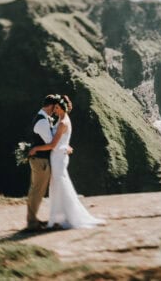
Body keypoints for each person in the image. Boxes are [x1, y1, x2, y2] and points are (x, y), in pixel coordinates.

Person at [29, 94, 104, 229]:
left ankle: (67, 217)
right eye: (55, 107)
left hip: (58, 158)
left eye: (57, 108)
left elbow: (52, 144)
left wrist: (35, 148)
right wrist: (65, 147)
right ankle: (60, 216)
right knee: (57, 187)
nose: (55, 110)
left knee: (60, 186)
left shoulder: (62, 122)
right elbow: (57, 141)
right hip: (57, 156)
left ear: (62, 108)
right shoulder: (61, 119)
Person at [25, 94, 62, 231]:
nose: (55, 110)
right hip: (40, 161)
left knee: (38, 190)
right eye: (55, 107)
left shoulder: (44, 119)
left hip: (40, 160)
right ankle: (32, 222)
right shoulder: (42, 122)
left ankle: (33, 219)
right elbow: (50, 143)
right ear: (51, 106)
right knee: (37, 190)